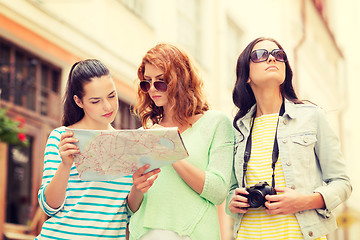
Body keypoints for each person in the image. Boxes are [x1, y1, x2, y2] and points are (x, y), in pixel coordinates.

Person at [226, 37, 352, 240]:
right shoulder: (238, 129)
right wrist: (232, 203)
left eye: (278, 55)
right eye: (260, 55)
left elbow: (342, 183)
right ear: (246, 75)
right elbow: (231, 190)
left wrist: (305, 201)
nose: (272, 59)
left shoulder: (311, 116)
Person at [36, 59, 159, 239]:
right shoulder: (63, 137)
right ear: (79, 101)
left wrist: (138, 187)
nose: (108, 106)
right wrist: (65, 165)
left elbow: (127, 213)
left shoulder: (128, 144)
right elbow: (49, 206)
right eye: (96, 101)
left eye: (112, 95)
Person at [128, 43, 234, 240]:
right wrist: (136, 187)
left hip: (194, 234)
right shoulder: (144, 133)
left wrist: (170, 149)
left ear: (180, 80)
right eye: (146, 82)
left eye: (160, 81)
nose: (152, 89)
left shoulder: (216, 123)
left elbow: (219, 192)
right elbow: (131, 207)